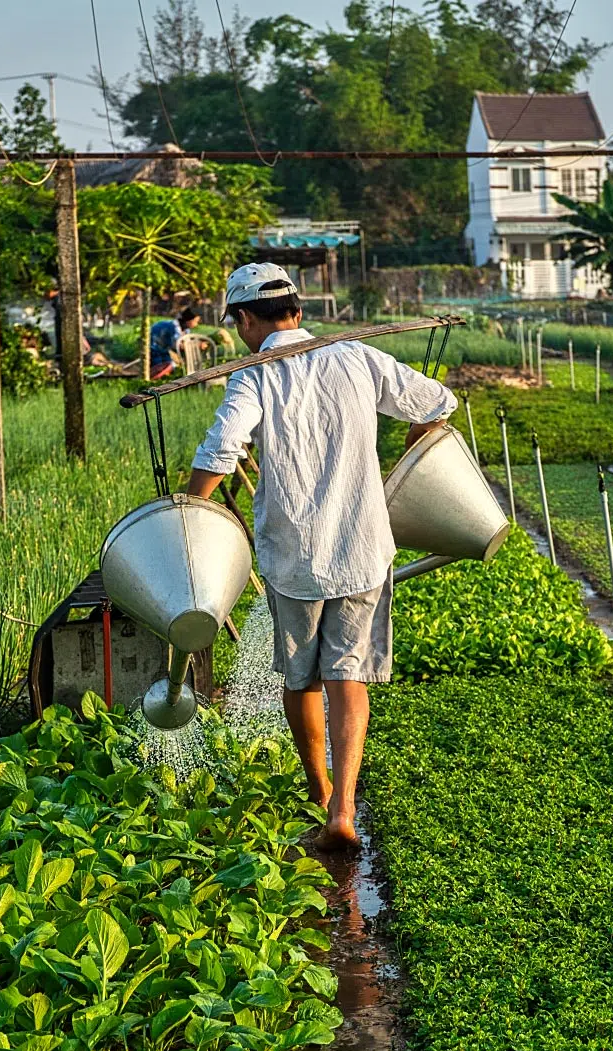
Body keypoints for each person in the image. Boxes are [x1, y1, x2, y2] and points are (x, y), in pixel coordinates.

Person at [188, 263, 458, 850]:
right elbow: (437, 402)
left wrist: (186, 516)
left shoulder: (254, 375)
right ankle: (344, 807)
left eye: (238, 324)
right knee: (349, 676)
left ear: (244, 319)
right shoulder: (355, 355)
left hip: (296, 557)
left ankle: (318, 794)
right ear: (298, 312)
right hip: (364, 545)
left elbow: (220, 452)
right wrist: (404, 472)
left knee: (302, 680)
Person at [149, 306, 200, 379]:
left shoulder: (186, 330)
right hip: (155, 349)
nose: (196, 324)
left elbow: (186, 343)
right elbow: (178, 345)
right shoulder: (174, 327)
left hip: (164, 350)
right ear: (188, 320)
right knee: (171, 365)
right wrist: (197, 346)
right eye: (196, 321)